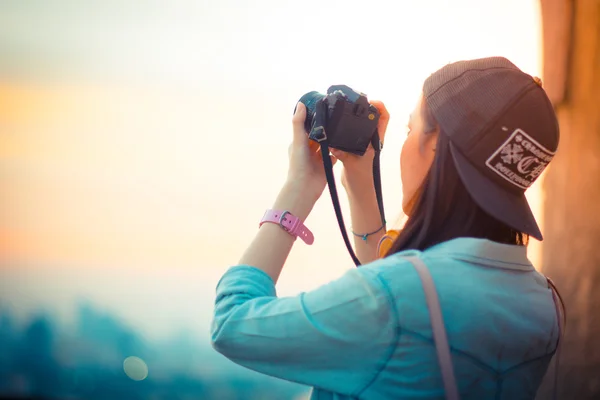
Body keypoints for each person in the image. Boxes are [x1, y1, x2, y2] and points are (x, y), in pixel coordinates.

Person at [210, 57, 562, 399]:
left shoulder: (398, 297)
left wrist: (298, 188)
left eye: (411, 129)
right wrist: (361, 188)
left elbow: (232, 323)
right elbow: (404, 330)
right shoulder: (543, 302)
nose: (403, 144)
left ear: (436, 144)